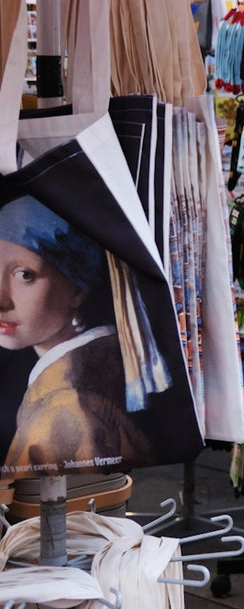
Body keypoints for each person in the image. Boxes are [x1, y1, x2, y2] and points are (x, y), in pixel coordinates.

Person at [0, 195, 152, 474]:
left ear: (77, 289)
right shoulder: (109, 360)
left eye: (25, 275)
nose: (1, 300)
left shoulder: (64, 409)